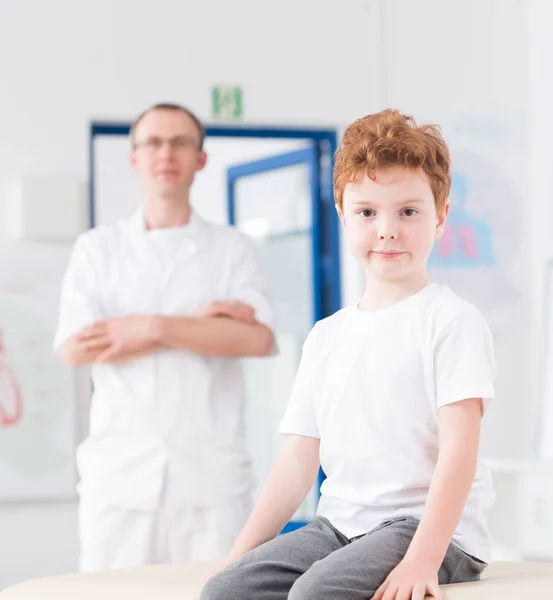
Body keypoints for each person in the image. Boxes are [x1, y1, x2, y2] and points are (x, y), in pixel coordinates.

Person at [201, 109, 496, 600]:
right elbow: (298, 460)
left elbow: (459, 454)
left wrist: (422, 560)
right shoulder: (326, 336)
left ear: (440, 217)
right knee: (226, 592)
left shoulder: (452, 321)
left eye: (408, 211)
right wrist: (236, 560)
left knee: (314, 594)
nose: (387, 229)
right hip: (339, 525)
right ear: (342, 214)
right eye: (367, 212)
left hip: (427, 531)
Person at [54, 103, 275, 572]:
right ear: (134, 158)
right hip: (120, 474)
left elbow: (257, 341)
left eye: (181, 142)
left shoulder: (230, 247)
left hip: (211, 474)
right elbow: (76, 348)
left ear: (201, 159)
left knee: (220, 591)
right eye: (153, 142)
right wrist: (202, 324)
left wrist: (151, 327)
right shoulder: (98, 248)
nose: (166, 153)